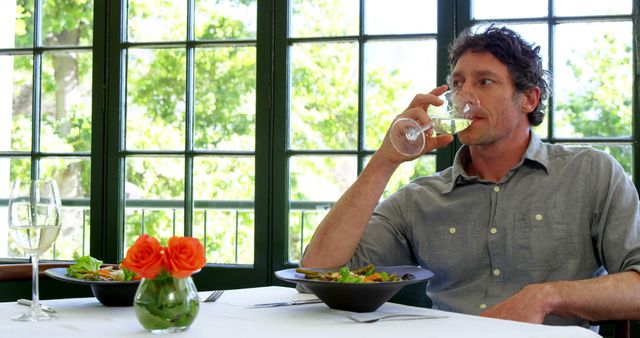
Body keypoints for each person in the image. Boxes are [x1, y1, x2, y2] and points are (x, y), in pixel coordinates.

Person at [301, 25, 640, 328]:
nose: (464, 96)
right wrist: (384, 160)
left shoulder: (590, 173)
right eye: (458, 83)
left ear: (529, 98)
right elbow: (316, 275)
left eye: (485, 81)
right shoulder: (421, 198)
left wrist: (546, 297)